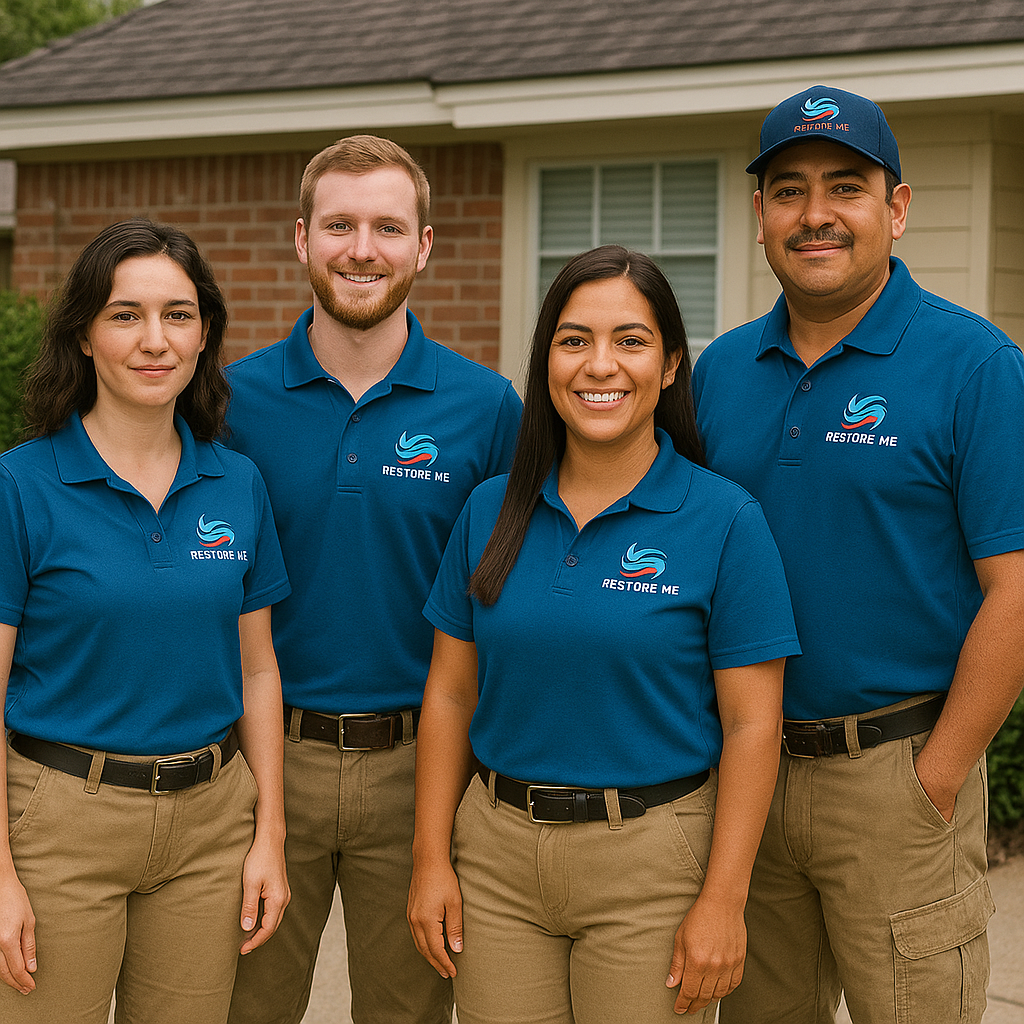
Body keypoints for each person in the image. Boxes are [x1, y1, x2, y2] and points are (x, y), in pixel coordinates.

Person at [691, 85, 1024, 1024]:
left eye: (846, 186)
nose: (816, 214)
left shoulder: (975, 367)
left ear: (897, 208)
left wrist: (938, 777)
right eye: (788, 191)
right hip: (743, 780)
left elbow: (1018, 591)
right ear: (759, 218)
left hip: (894, 777)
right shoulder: (718, 374)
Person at [407, 244, 801, 1022]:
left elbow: (754, 724)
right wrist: (431, 860)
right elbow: (451, 694)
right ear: (546, 359)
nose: (600, 365)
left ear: (670, 366)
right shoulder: (490, 510)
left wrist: (725, 899)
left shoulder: (724, 519)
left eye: (631, 340)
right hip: (497, 856)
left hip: (650, 861)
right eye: (574, 339)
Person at [224, 135, 522, 1024]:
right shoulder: (227, 405)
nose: (363, 248)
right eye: (341, 224)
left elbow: (508, 600)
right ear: (302, 239)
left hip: (421, 771)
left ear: (424, 246)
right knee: (245, 1007)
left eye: (389, 227)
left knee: (411, 1013)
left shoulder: (487, 408)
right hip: (261, 765)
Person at [0, 218, 291, 1023]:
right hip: (61, 822)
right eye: (125, 314)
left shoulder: (238, 484)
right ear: (85, 336)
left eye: (179, 314)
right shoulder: (19, 487)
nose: (154, 340)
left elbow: (259, 669)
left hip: (208, 827)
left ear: (204, 336)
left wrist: (268, 835)